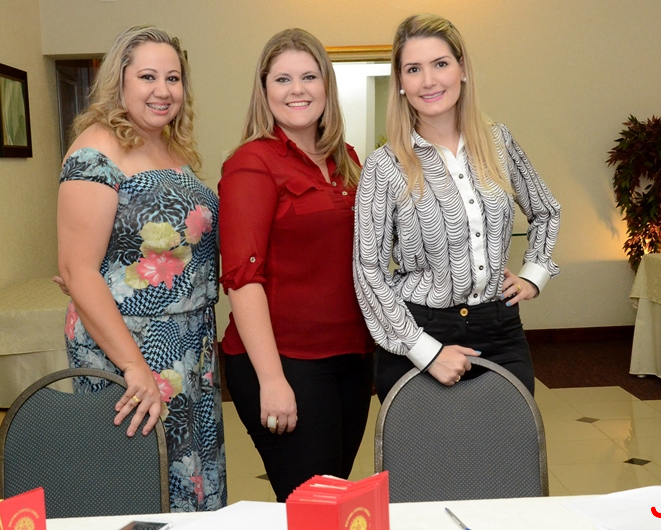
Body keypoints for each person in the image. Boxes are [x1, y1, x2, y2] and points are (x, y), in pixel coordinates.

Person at [56, 25, 226, 511]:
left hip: (191, 345)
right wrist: (134, 366)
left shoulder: (171, 147)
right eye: (148, 76)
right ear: (120, 81)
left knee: (191, 478)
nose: (163, 90)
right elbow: (77, 270)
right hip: (131, 348)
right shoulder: (96, 151)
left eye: (173, 78)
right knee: (140, 486)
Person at [353, 14, 561, 402]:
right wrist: (426, 352)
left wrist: (534, 275)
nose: (429, 81)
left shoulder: (499, 142)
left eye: (440, 64)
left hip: (500, 331)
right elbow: (368, 271)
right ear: (400, 83)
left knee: (510, 440)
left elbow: (546, 210)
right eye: (414, 69)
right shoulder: (384, 165)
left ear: (462, 70)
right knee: (426, 445)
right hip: (418, 332)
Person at [218, 28, 375, 502]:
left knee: (333, 498)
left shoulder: (346, 159)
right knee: (314, 504)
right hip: (286, 362)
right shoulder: (252, 163)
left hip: (351, 357)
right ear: (264, 90)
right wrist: (271, 380)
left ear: (326, 85)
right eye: (282, 79)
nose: (297, 89)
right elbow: (243, 280)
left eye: (309, 76)